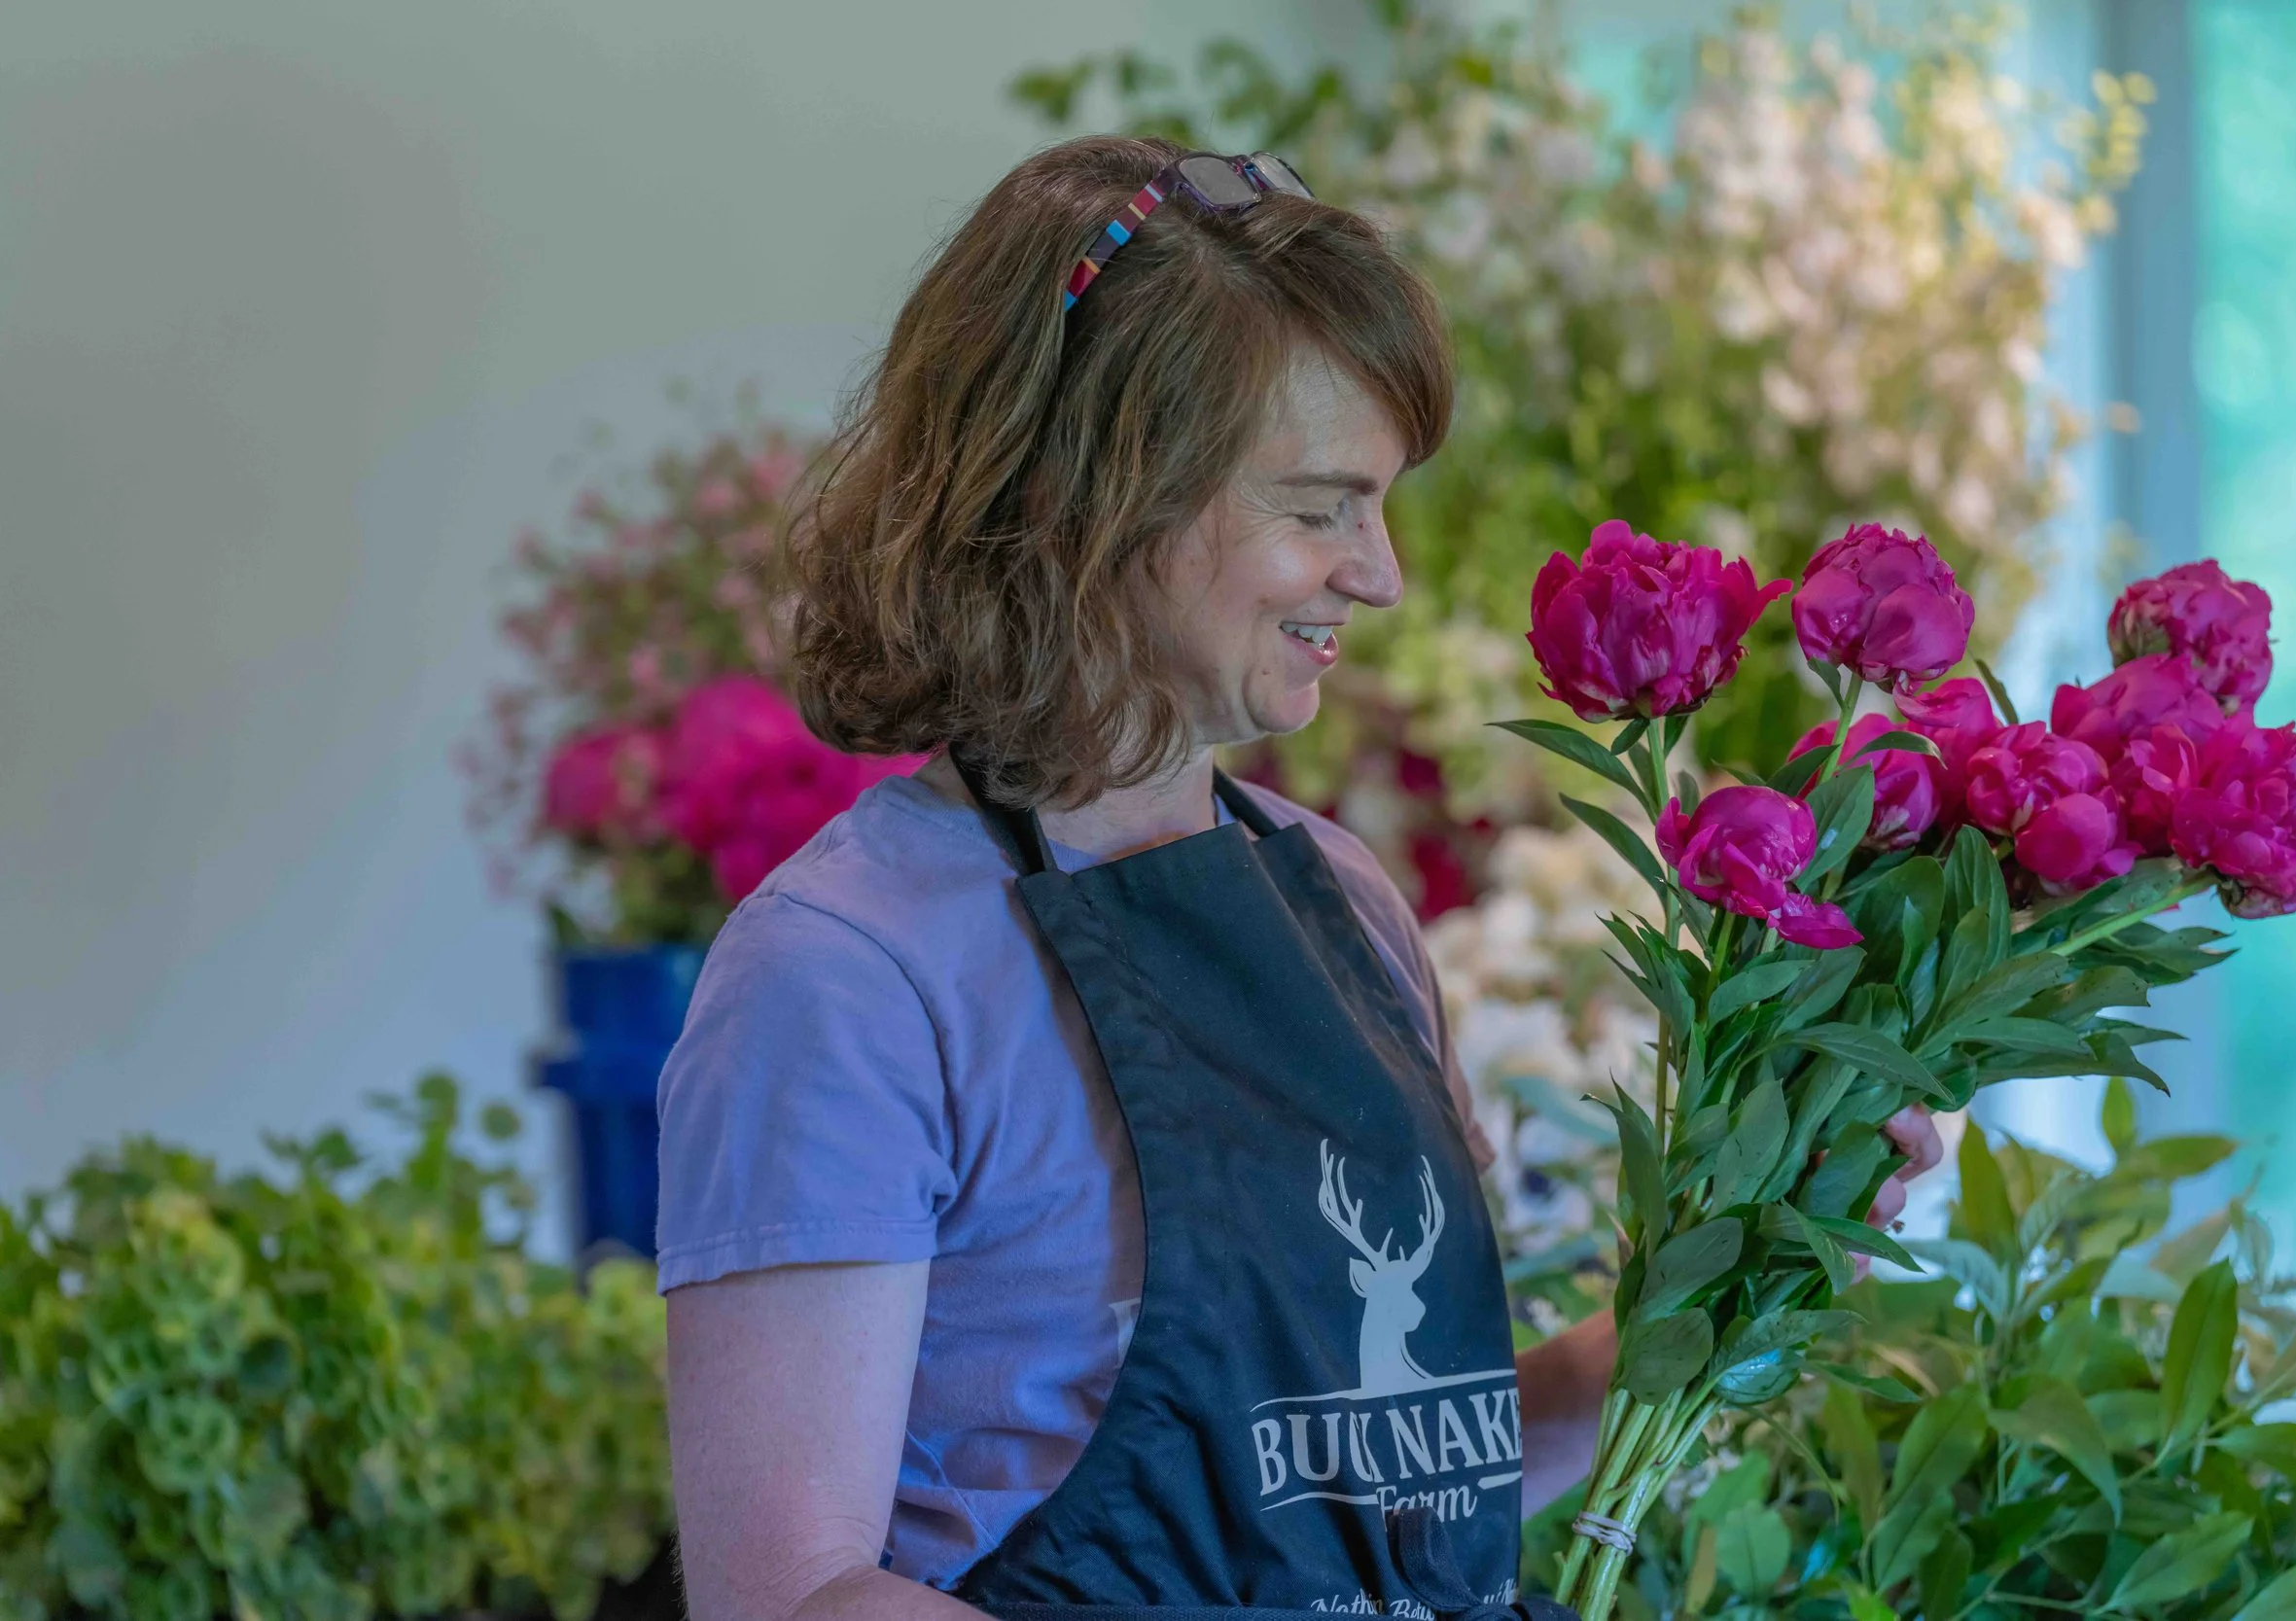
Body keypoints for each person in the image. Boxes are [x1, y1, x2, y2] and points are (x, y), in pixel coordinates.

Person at [654, 135, 1944, 1621]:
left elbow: (1376, 1500)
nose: (1380, 573)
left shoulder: (1341, 900)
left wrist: (1716, 1294)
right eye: (1321, 505)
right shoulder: (847, 971)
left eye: (1379, 504)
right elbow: (792, 1592)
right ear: (1095, 500)